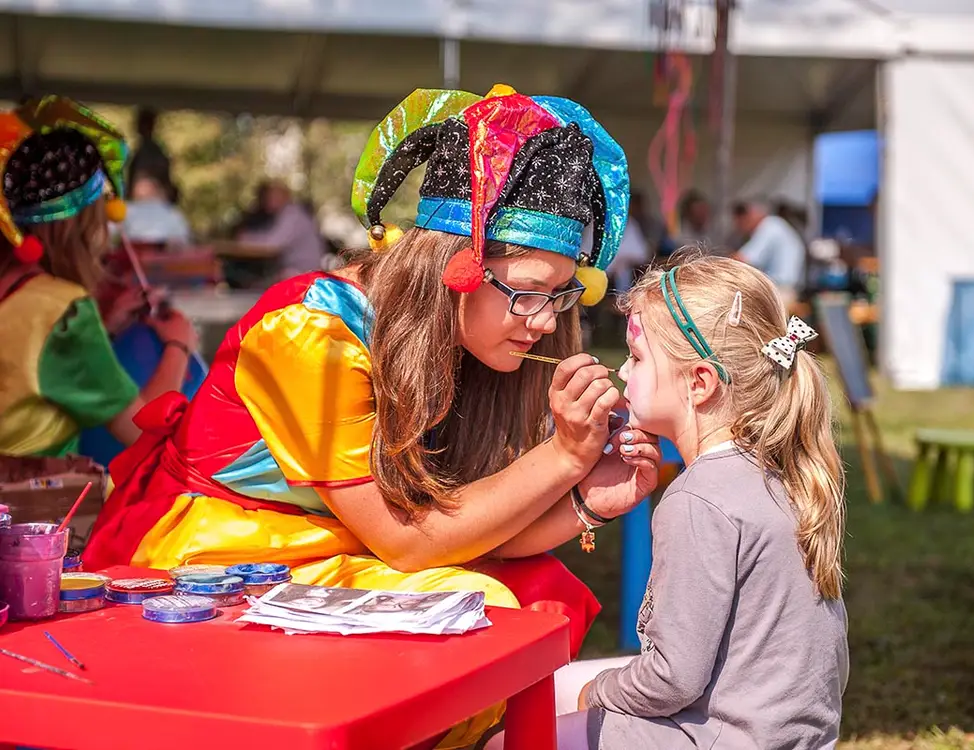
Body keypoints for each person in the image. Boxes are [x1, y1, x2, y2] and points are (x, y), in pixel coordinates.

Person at [83, 85, 662, 748]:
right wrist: (562, 458)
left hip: (343, 553)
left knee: (533, 590)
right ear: (455, 269)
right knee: (490, 613)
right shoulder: (308, 335)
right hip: (217, 562)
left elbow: (468, 528)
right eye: (525, 293)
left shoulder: (463, 339)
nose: (541, 321)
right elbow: (408, 542)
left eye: (561, 296)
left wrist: (588, 501)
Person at [489, 255, 848, 750]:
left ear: (699, 384)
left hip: (721, 736)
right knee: (555, 688)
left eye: (637, 357)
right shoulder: (778, 472)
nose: (621, 368)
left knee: (511, 738)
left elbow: (671, 679)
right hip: (785, 733)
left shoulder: (698, 499)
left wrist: (596, 694)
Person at [0, 97, 196, 460]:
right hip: (34, 509)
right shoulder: (64, 311)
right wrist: (179, 345)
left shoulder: (21, 293)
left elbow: (28, 372)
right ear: (81, 225)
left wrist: (101, 329)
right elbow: (141, 431)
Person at [236, 180, 325, 277]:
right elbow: (270, 237)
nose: (268, 201)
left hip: (302, 271)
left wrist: (246, 238)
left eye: (273, 197)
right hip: (297, 268)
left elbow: (272, 245)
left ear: (285, 197)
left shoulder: (292, 215)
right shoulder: (285, 214)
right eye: (268, 197)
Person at [731, 199, 806, 306]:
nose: (739, 227)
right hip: (788, 289)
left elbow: (743, 259)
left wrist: (715, 266)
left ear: (749, 215)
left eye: (739, 222)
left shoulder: (769, 227)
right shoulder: (776, 224)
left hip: (781, 292)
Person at [121, 172, 191, 247]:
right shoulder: (127, 209)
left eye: (148, 186)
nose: (144, 189)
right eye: (141, 185)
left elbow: (182, 238)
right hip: (132, 252)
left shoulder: (170, 212)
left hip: (164, 253)